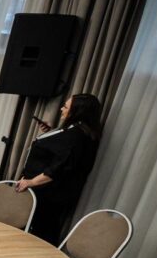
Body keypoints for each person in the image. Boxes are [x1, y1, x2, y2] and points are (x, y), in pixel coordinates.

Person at [16, 92, 103, 244]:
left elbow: (59, 168)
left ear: (77, 112)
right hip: (46, 193)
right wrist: (51, 133)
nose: (62, 109)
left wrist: (31, 182)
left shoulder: (76, 136)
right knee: (37, 233)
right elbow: (59, 149)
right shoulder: (74, 131)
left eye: (66, 107)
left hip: (47, 195)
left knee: (40, 236)